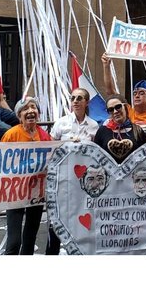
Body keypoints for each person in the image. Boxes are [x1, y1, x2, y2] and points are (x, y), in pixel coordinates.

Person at [46, 87, 99, 255]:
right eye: (73, 98)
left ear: (86, 102)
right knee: (56, 217)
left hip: (83, 181)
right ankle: (52, 253)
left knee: (81, 216)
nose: (75, 101)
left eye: (79, 98)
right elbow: (50, 147)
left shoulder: (93, 125)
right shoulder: (61, 123)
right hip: (61, 177)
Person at [1, 96, 51, 255]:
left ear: (38, 113)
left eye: (33, 107)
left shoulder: (44, 136)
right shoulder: (11, 135)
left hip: (36, 194)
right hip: (15, 193)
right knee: (14, 241)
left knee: (30, 238)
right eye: (25, 109)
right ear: (19, 115)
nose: (30, 111)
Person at [93, 94, 146, 163]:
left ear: (125, 107)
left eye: (118, 107)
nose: (115, 111)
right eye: (111, 109)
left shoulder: (138, 130)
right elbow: (95, 157)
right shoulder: (102, 131)